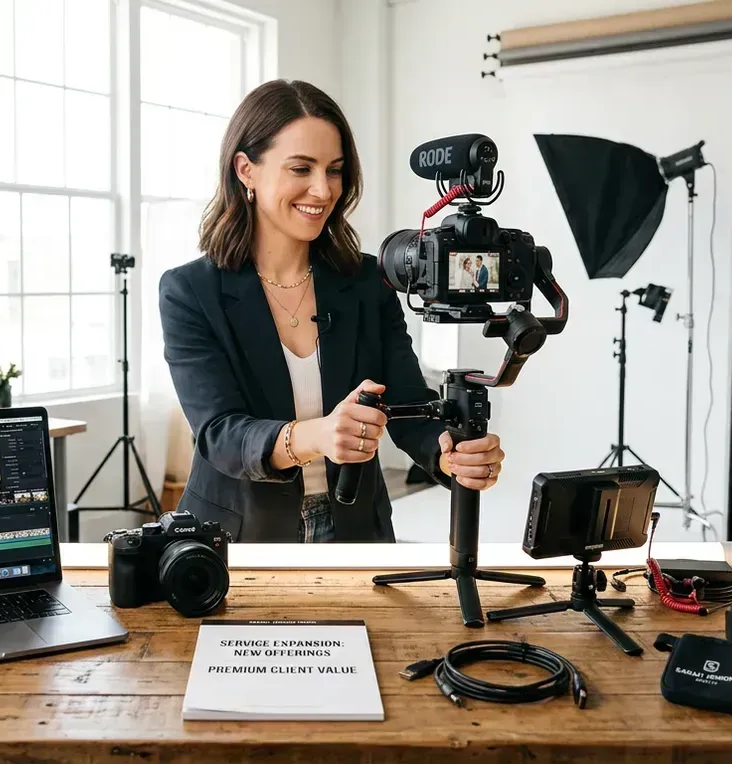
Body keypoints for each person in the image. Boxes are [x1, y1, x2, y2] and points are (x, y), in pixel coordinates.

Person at [158, 80, 505, 543]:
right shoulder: (189, 291)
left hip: (358, 531)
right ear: (246, 170)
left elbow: (408, 403)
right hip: (237, 537)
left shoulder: (368, 281)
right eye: (301, 168)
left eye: (335, 171)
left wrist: (449, 454)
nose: (323, 190)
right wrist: (316, 436)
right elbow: (220, 434)